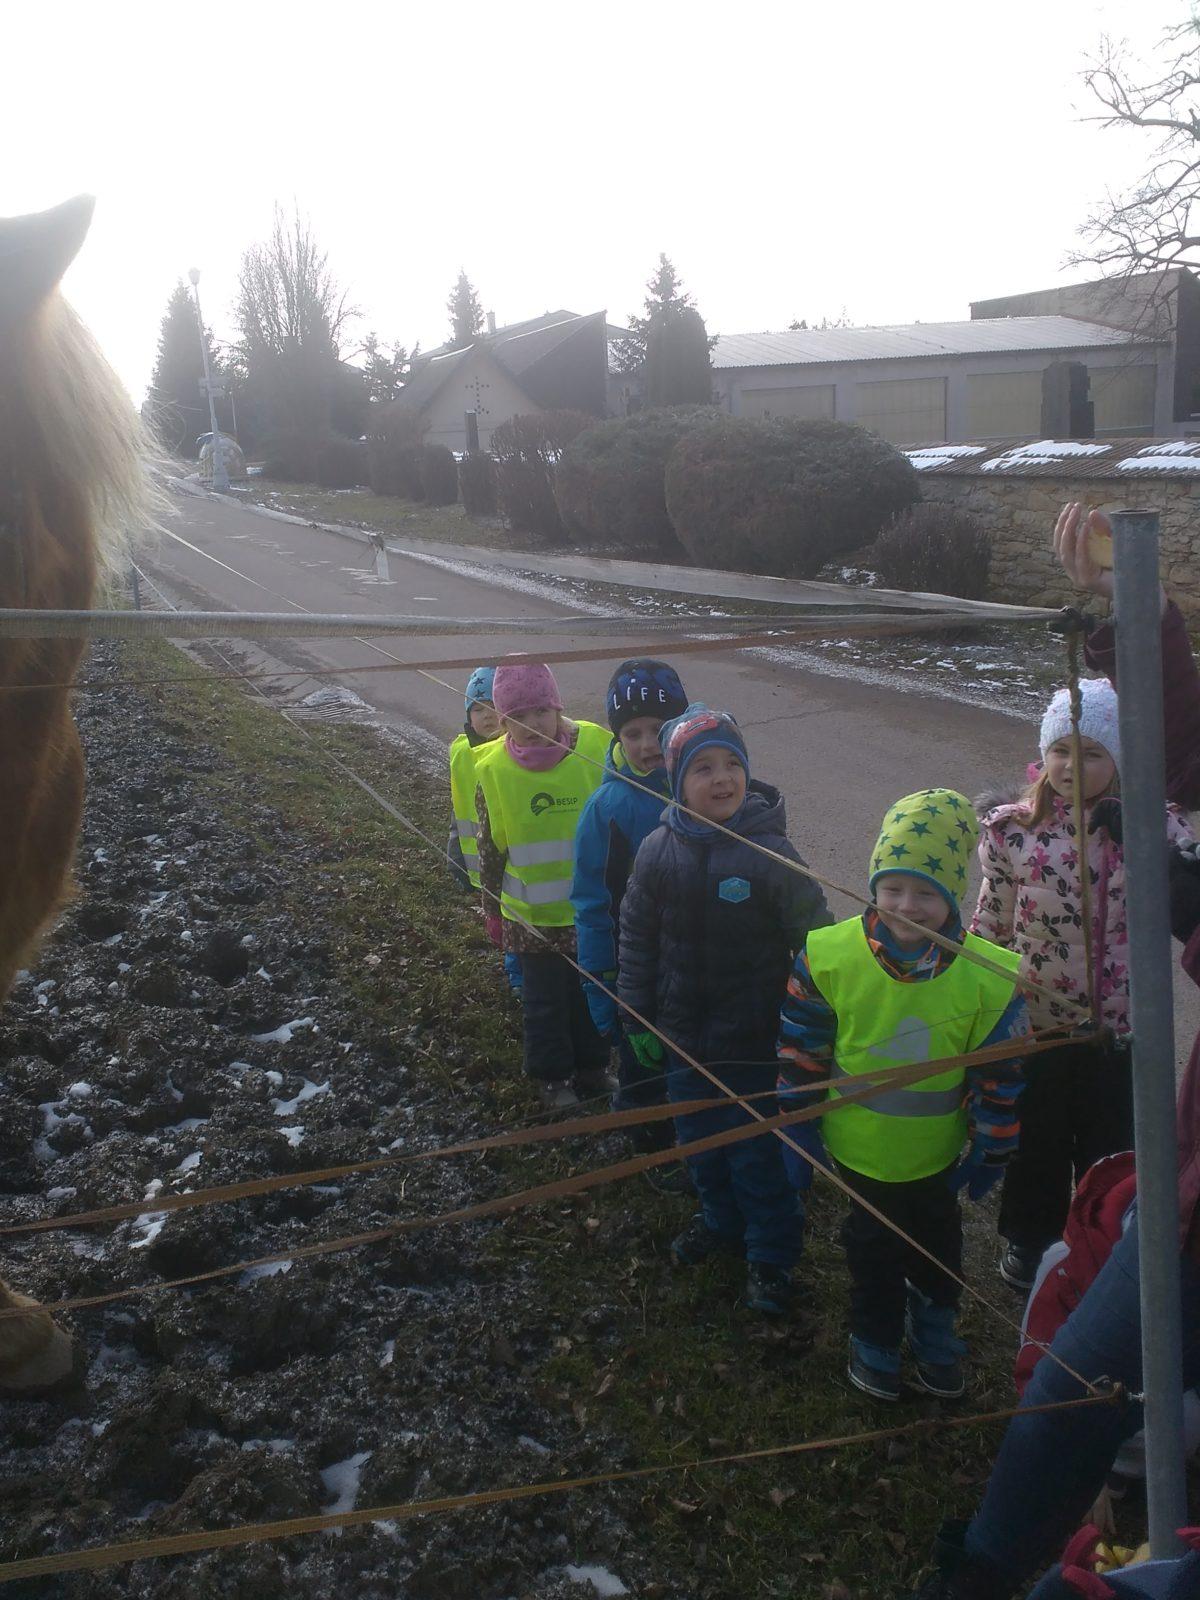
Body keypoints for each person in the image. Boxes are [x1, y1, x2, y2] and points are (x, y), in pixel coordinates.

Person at [778, 789, 1028, 1401]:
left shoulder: (987, 977)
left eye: (926, 893)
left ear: (952, 897)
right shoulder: (830, 955)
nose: (906, 907)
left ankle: (936, 1332)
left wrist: (992, 1147)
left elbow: (1001, 1075)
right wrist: (796, 1117)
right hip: (856, 1155)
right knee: (871, 1253)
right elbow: (802, 1044)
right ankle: (875, 1340)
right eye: (892, 889)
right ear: (873, 886)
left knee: (941, 1250)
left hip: (937, 1158)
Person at [972, 679, 1193, 1291]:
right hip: (1037, 1021)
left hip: (1120, 1030)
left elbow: (1188, 877)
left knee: (1110, 1143)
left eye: (1092, 753)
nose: (1071, 766)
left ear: (1119, 762)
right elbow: (989, 926)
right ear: (1043, 756)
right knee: (1035, 1137)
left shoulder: (1148, 828)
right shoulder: (1012, 833)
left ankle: (1100, 1238)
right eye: (1060, 751)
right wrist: (976, 998)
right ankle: (1028, 1238)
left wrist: (1147, 835)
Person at [617, 703, 830, 1316]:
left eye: (731, 764)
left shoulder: (771, 853)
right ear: (677, 780)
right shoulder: (658, 850)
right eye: (702, 767)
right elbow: (636, 936)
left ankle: (770, 1258)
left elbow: (817, 942)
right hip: (683, 1037)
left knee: (756, 1156)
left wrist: (817, 1022)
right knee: (700, 1146)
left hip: (755, 1044)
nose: (721, 779)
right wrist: (637, 1016)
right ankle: (718, 1222)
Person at [474, 661, 612, 1108]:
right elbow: (489, 846)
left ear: (557, 708)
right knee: (545, 1003)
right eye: (517, 717)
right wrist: (492, 909)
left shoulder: (594, 749)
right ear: (503, 721)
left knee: (591, 993)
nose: (531, 725)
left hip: (591, 914)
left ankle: (593, 1067)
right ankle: (554, 1078)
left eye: (540, 712)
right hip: (530, 920)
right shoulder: (494, 769)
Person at [570, 659, 689, 1156]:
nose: (647, 745)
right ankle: (648, 1141)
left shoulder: (701, 790)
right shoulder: (607, 810)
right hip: (634, 976)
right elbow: (592, 906)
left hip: (693, 970)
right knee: (643, 1069)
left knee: (688, 1063)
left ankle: (691, 1135)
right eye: (633, 732)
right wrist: (601, 989)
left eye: (659, 730)